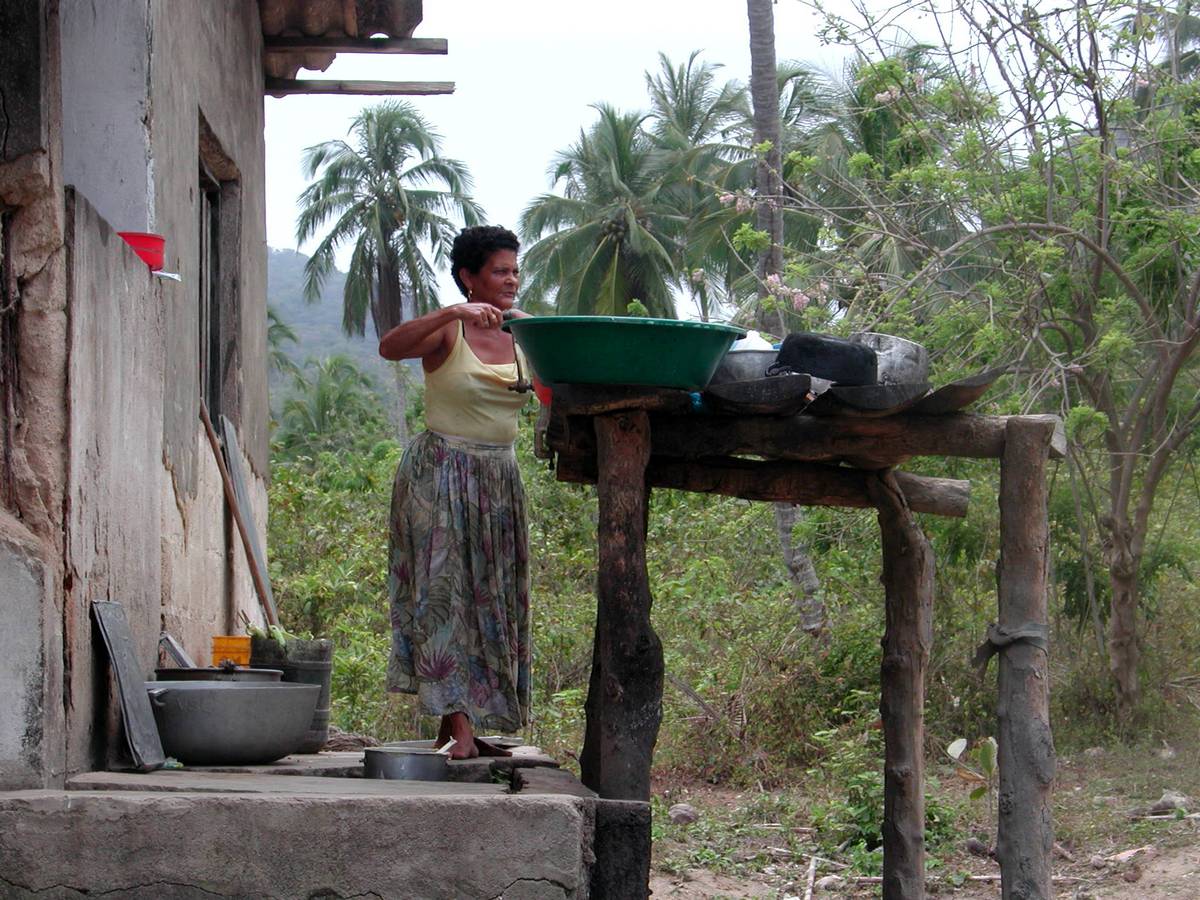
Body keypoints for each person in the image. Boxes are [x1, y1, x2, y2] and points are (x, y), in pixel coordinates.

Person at [378, 225, 532, 760]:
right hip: (440, 473)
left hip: (499, 479)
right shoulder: (449, 331)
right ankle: (461, 729)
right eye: (499, 271)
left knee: (492, 597)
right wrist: (451, 312)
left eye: (515, 270)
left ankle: (458, 724)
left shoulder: (523, 333)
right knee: (445, 596)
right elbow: (389, 347)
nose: (511, 280)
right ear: (469, 277)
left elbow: (566, 377)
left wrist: (538, 329)